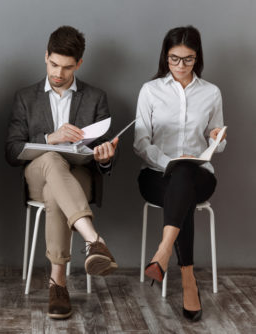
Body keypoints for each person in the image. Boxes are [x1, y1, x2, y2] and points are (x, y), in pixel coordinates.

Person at [5, 26, 119, 320]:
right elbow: (11, 151)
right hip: (37, 172)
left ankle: (58, 284)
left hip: (78, 175)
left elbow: (101, 159)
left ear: (79, 64)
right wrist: (49, 139)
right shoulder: (25, 97)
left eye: (67, 67)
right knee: (53, 160)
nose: (59, 72)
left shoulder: (96, 97)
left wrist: (105, 157)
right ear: (46, 56)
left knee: (55, 194)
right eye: (54, 64)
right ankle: (94, 241)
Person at [134, 26, 226, 322]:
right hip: (156, 176)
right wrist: (168, 162)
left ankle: (162, 252)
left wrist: (215, 138)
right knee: (180, 178)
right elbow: (140, 142)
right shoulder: (150, 91)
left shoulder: (211, 93)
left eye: (188, 59)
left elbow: (219, 143)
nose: (181, 66)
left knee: (186, 174)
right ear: (166, 56)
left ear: (197, 58)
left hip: (200, 177)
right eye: (175, 59)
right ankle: (188, 279)